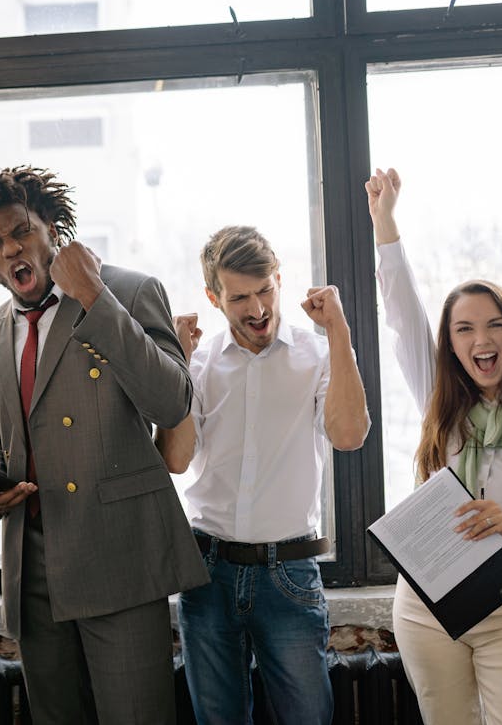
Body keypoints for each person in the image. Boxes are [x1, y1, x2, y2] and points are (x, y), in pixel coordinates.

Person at [0, 166, 208, 724]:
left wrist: (93, 294)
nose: (11, 248)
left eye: (22, 232)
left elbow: (171, 401)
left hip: (120, 555)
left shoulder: (129, 291)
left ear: (53, 229)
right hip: (32, 566)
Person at [369, 167, 502, 724]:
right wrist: (385, 225)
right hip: (425, 606)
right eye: (463, 329)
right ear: (450, 343)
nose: (480, 340)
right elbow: (401, 313)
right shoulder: (438, 401)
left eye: (493, 326)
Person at [156, 225, 370, 725]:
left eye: (266, 290)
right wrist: (177, 367)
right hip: (206, 573)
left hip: (290, 575)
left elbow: (348, 435)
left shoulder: (318, 354)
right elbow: (176, 460)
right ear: (214, 297)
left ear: (279, 280)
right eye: (240, 298)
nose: (257, 309)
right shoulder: (201, 362)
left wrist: (338, 331)